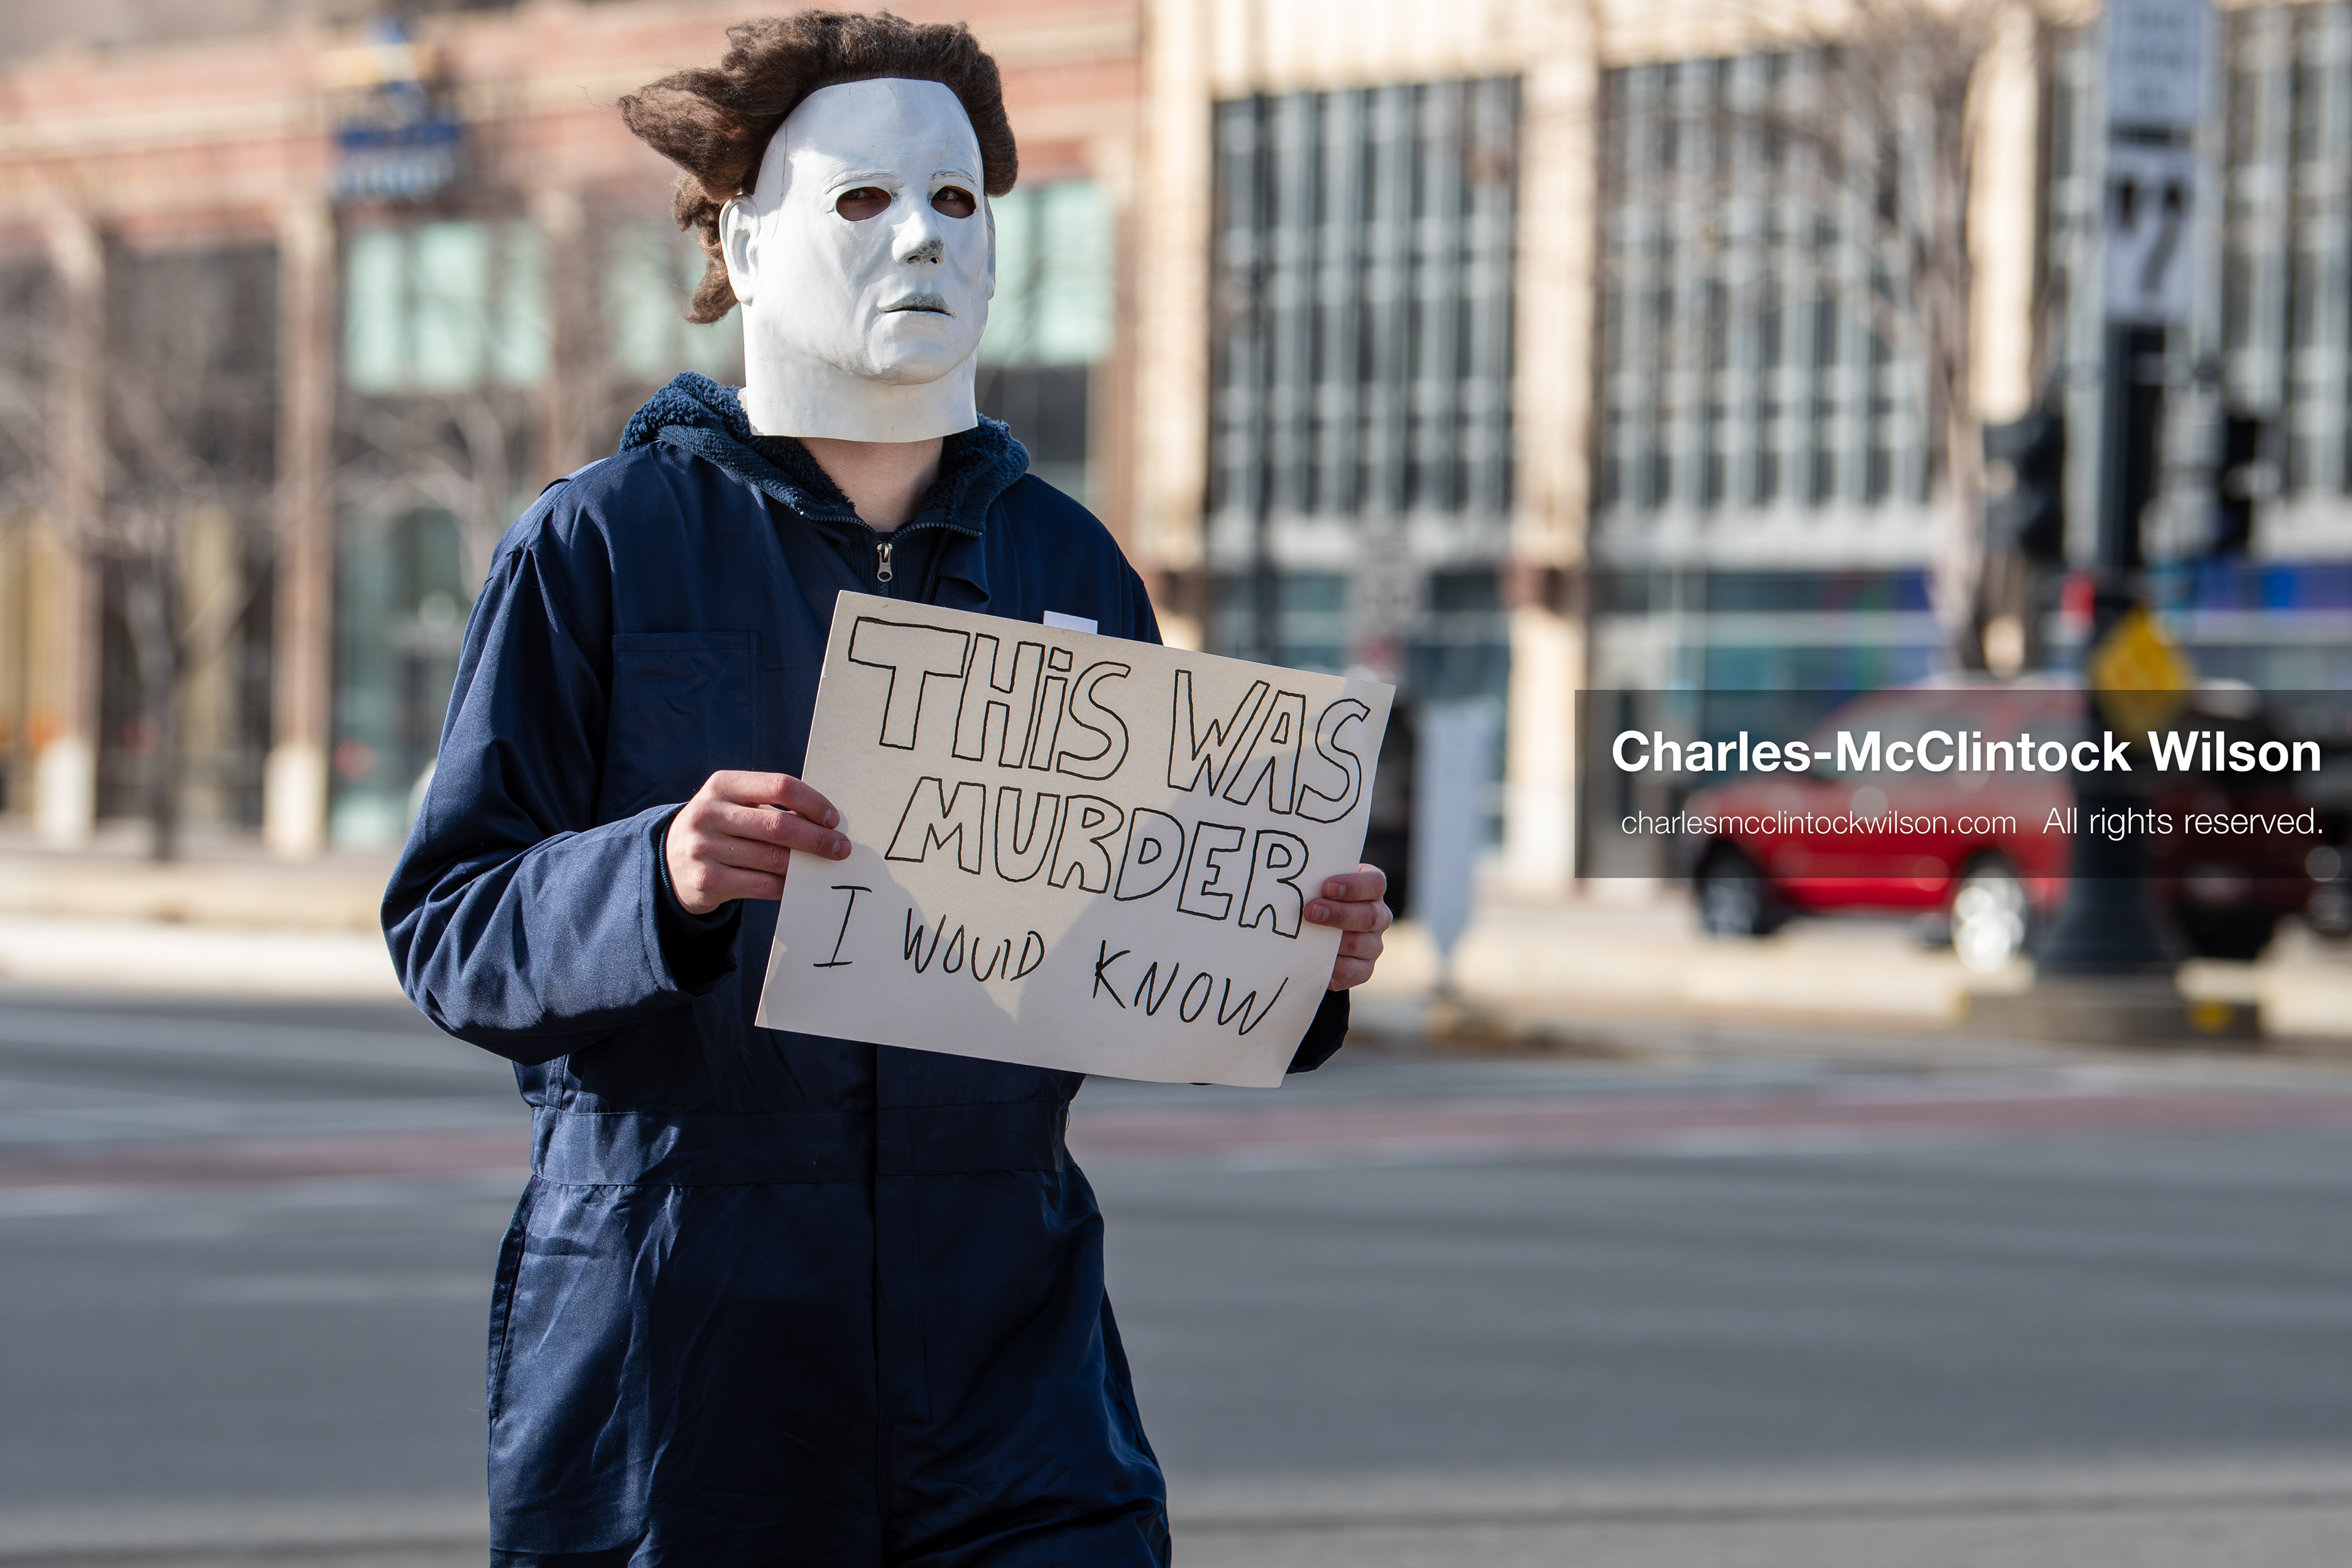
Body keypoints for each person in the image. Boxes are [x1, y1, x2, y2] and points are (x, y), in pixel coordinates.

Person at [381, 13, 1392, 1566]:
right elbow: (450, 926)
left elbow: (1133, 938)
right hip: (681, 1353)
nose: (922, 237)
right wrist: (655, 872)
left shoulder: (1068, 563)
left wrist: (1292, 953)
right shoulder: (598, 545)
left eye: (961, 202)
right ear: (743, 238)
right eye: (862, 200)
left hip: (1010, 1355)